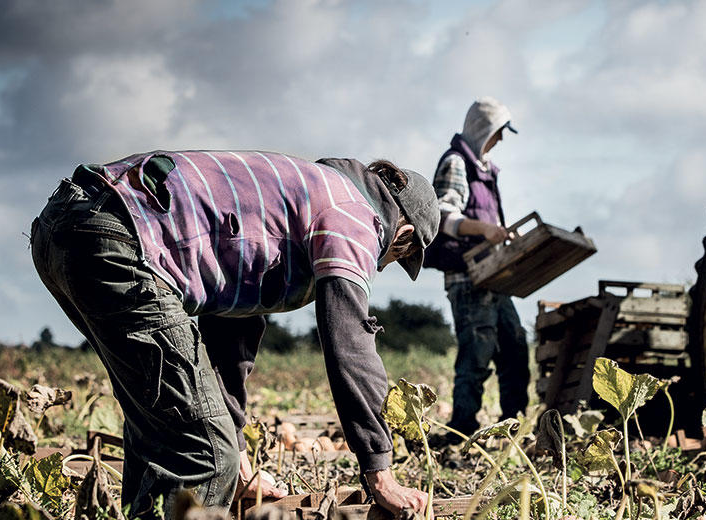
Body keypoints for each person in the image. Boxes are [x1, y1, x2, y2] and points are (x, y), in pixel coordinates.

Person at [30, 150, 437, 517]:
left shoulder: (306, 194)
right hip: (121, 236)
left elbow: (231, 336)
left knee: (166, 428)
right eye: (399, 256)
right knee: (204, 452)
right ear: (402, 235)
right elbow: (350, 342)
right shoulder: (353, 215)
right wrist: (380, 471)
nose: (382, 266)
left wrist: (241, 456)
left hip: (68, 225)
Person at [424, 97, 530, 437]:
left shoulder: (484, 168)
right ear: (483, 130)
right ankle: (462, 429)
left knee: (514, 347)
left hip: (493, 275)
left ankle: (514, 424)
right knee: (476, 354)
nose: (499, 141)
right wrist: (485, 229)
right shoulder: (457, 163)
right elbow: (442, 216)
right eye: (497, 132)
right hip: (468, 277)